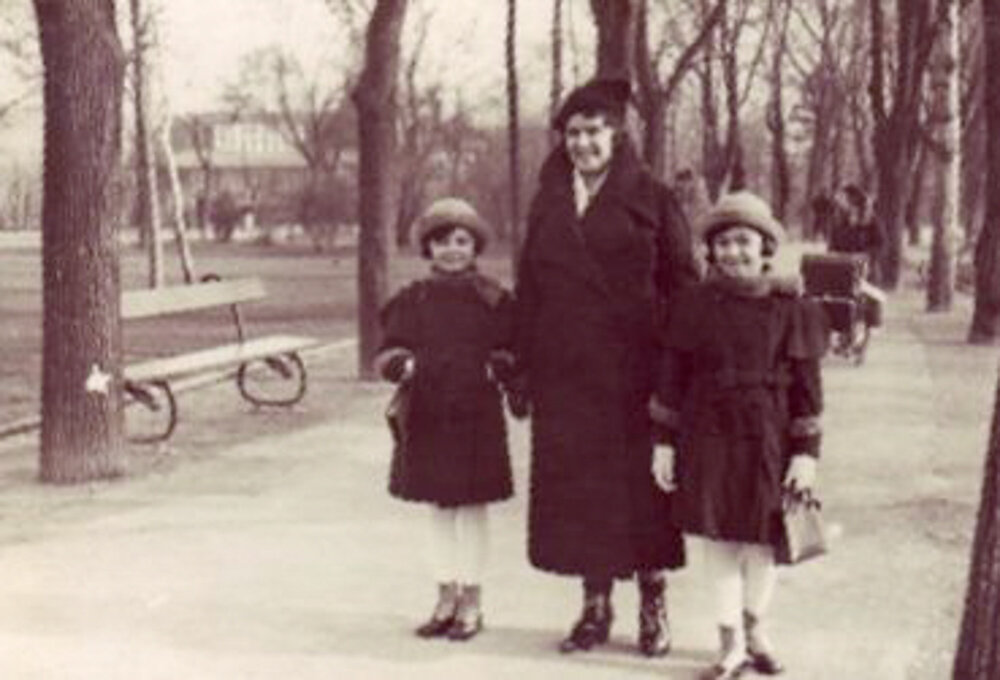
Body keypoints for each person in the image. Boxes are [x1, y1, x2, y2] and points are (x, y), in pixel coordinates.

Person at [513, 77, 700, 656]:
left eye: (593, 131)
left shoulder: (655, 198)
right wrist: (522, 369)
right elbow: (530, 291)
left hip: (636, 375)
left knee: (644, 494)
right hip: (567, 375)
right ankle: (595, 607)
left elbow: (684, 288)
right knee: (581, 494)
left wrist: (677, 375)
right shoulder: (548, 201)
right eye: (572, 132)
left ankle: (652, 602)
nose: (582, 143)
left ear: (616, 135)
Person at [649, 191, 827, 679]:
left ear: (765, 246)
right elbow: (672, 377)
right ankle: (728, 643)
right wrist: (663, 443)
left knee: (765, 542)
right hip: (708, 433)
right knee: (721, 541)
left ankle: (755, 631)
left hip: (769, 437)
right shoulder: (693, 304)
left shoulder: (793, 307)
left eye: (744, 241)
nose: (733, 252)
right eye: (722, 243)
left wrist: (806, 453)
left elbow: (809, 389)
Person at [375, 197, 517, 642]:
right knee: (438, 508)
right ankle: (444, 595)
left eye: (462, 241)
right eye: (442, 241)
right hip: (429, 413)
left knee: (472, 508)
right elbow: (389, 349)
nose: (452, 250)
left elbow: (516, 345)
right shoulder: (414, 299)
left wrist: (501, 365)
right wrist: (404, 365)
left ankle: (472, 600)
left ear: (475, 247)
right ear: (428, 248)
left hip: (476, 413)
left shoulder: (493, 298)